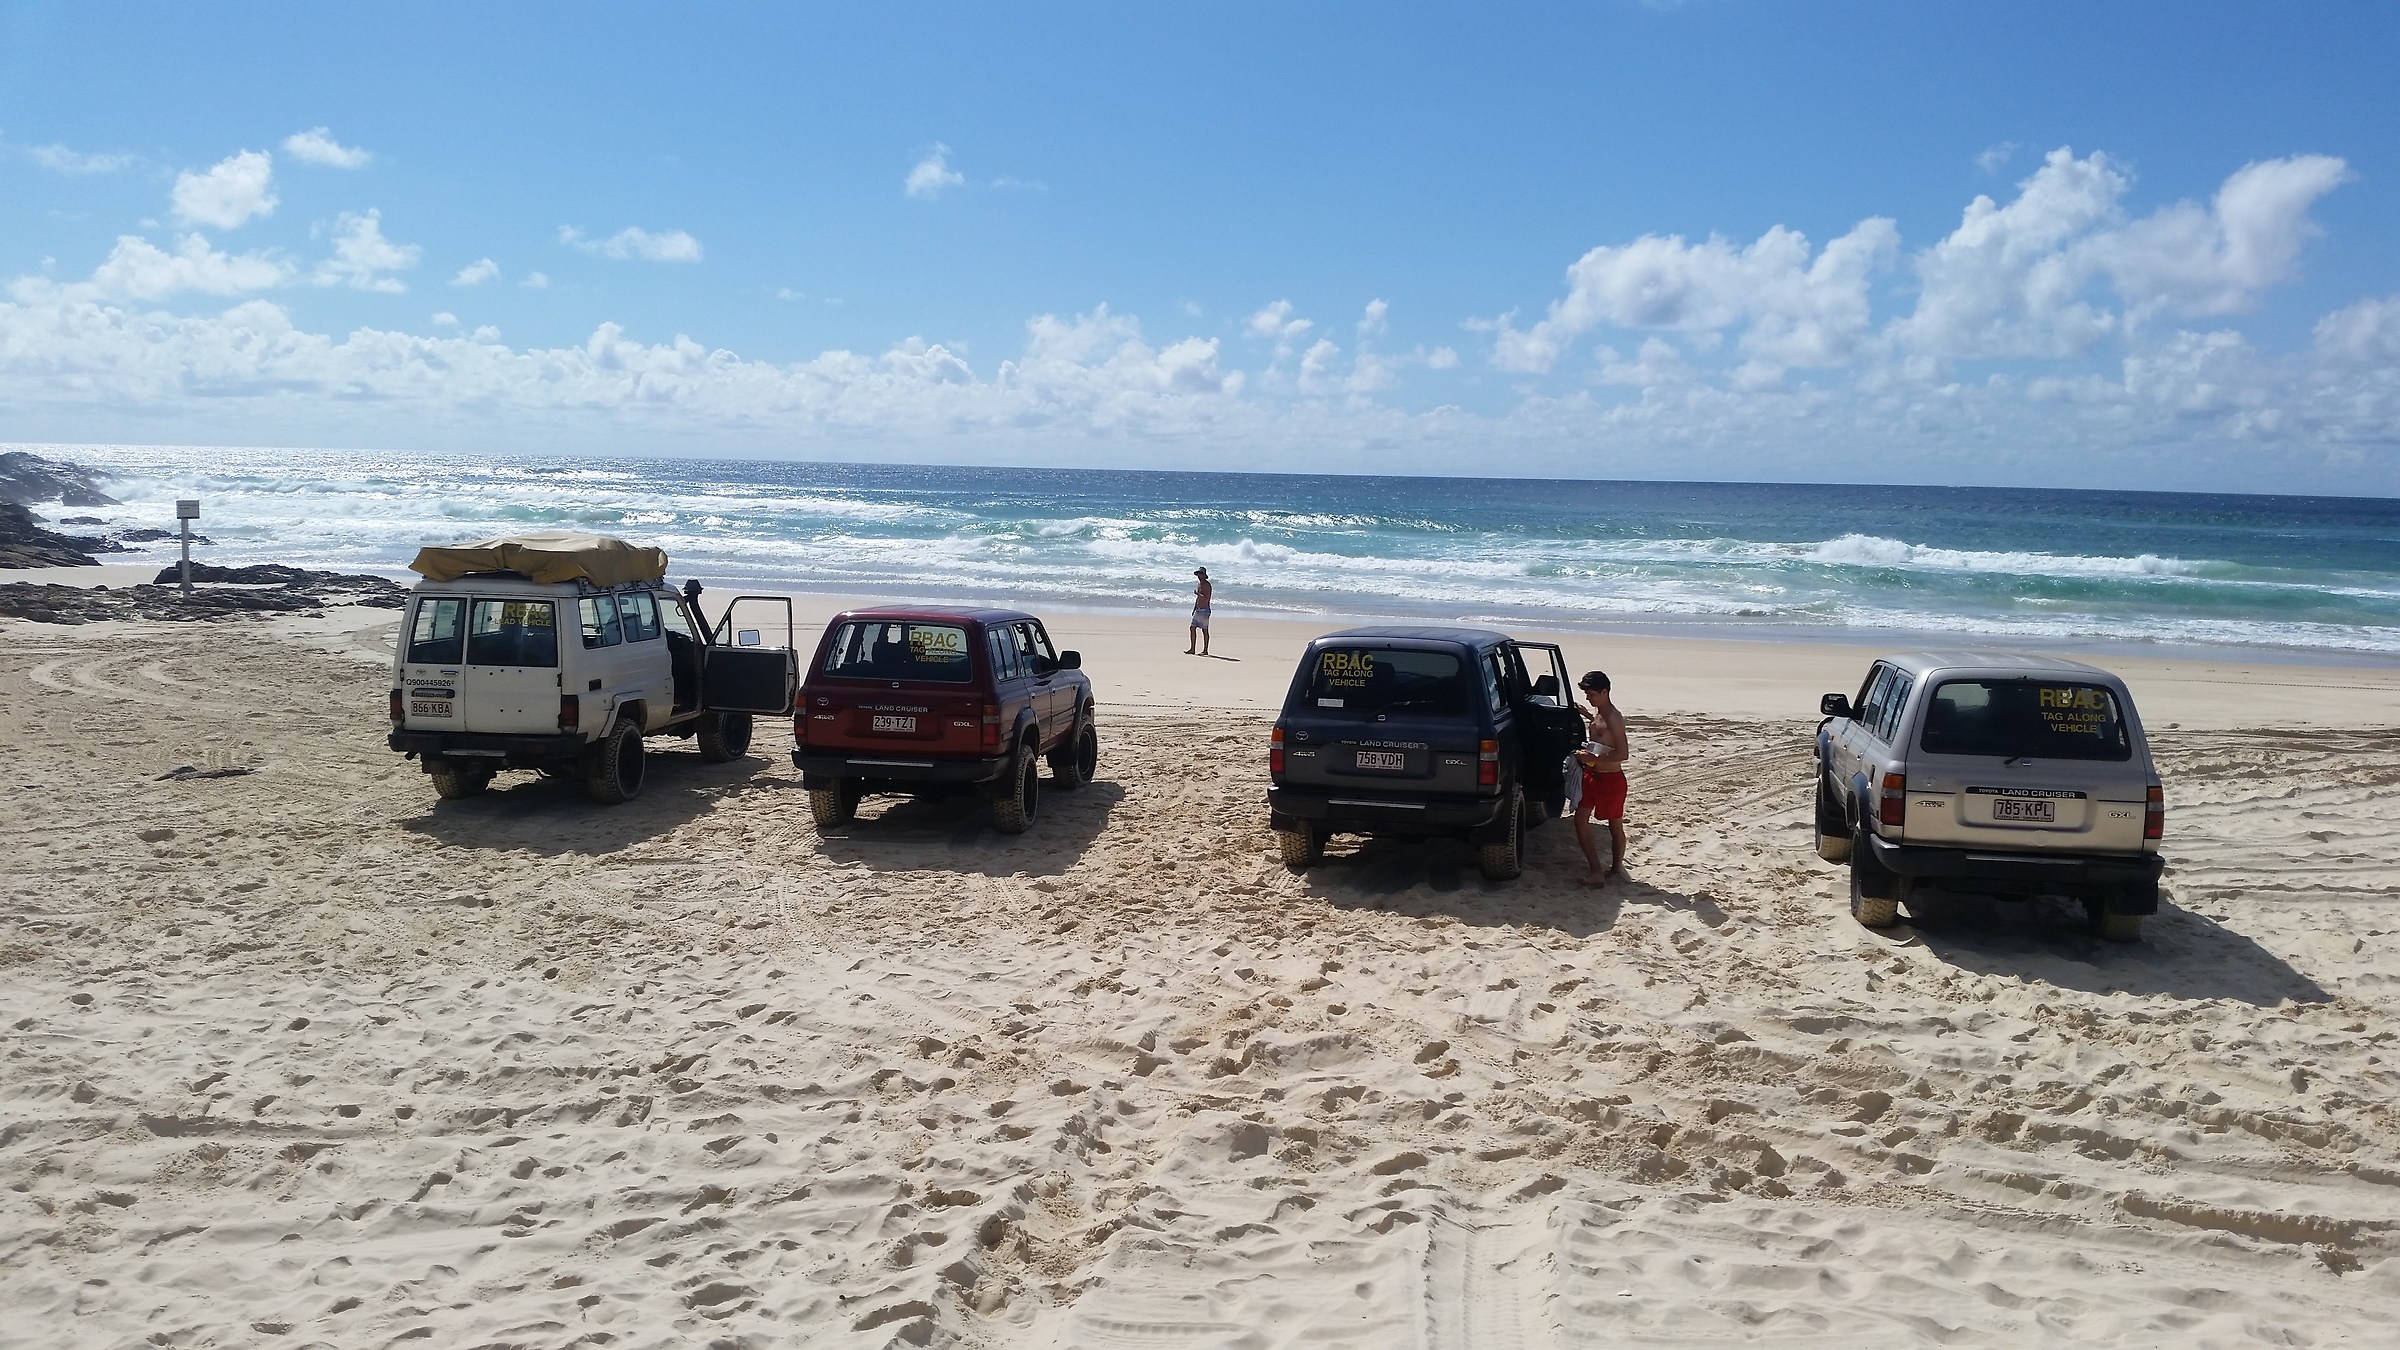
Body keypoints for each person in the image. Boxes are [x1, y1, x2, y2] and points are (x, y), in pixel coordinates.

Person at [1572, 670, 1630, 886]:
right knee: (1580, 821)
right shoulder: (1598, 714)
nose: (1588, 697)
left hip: (1611, 779)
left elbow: (1623, 754)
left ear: (1604, 692)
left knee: (1615, 826)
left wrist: (1591, 756)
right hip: (1592, 775)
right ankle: (1596, 870)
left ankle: (1616, 868)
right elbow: (1600, 729)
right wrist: (1587, 715)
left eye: (1592, 694)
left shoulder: (1614, 718)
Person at [1186, 567, 1212, 655]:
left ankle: (1205, 650)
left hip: (1204, 610)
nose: (1198, 576)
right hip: (1198, 609)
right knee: (1192, 628)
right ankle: (1192, 648)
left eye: (1200, 574)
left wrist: (1198, 594)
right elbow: (1198, 598)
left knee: (1204, 630)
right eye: (1198, 574)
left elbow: (1206, 598)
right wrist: (1194, 608)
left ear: (1204, 575)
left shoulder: (1207, 585)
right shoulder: (1199, 584)